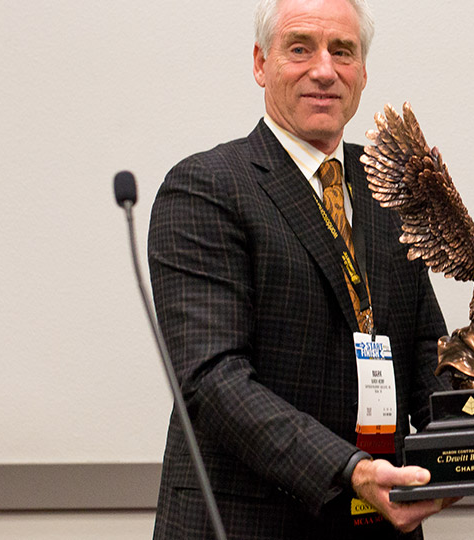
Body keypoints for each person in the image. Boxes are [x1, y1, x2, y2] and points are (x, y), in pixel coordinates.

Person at [147, 0, 452, 537]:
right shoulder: (206, 187)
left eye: (343, 51)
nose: (324, 70)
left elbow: (426, 350)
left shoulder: (392, 192)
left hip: (378, 519)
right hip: (248, 521)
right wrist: (349, 468)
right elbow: (213, 377)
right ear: (261, 63)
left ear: (362, 72)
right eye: (300, 48)